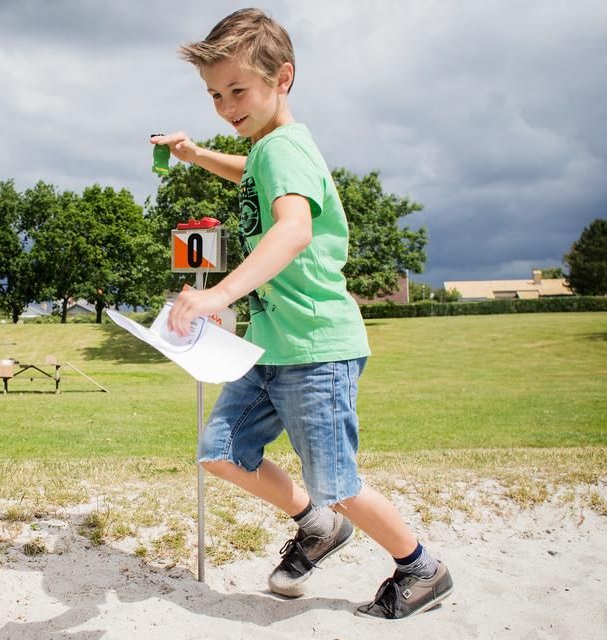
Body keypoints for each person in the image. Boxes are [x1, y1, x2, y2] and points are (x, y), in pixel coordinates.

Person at [154, 8, 452, 620]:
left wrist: (219, 295)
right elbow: (251, 176)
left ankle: (422, 568)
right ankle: (318, 528)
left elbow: (290, 230)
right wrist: (194, 153)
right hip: (272, 347)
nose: (225, 104)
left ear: (282, 77)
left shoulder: (284, 148)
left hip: (315, 348)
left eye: (238, 89)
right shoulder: (269, 150)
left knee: (337, 482)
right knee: (220, 449)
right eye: (214, 93)